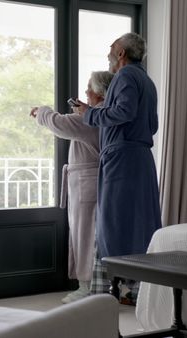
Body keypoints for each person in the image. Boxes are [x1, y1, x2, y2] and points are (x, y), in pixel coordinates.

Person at [73, 32, 162, 303]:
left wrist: (88, 113)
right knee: (139, 222)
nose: (108, 54)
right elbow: (152, 125)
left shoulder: (124, 77)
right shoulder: (146, 81)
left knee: (112, 222)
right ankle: (138, 291)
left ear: (121, 53)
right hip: (141, 159)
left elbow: (123, 112)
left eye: (111, 48)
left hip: (121, 158)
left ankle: (103, 294)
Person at [30, 70, 114, 303]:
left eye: (90, 88)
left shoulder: (93, 118)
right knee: (89, 233)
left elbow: (59, 124)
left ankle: (86, 286)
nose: (86, 92)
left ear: (101, 93)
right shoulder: (105, 115)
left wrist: (42, 110)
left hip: (87, 183)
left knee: (84, 233)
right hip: (92, 181)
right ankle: (93, 284)